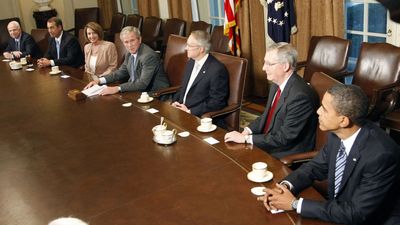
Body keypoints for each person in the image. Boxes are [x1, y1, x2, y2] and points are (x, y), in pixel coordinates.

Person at [258, 85, 400, 225]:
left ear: (343, 121)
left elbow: (356, 213)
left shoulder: (381, 156)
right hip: (338, 210)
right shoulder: (337, 135)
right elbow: (314, 167)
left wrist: (295, 204)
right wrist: (285, 187)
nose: (318, 111)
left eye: (324, 109)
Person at [224, 42, 319, 159]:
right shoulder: (276, 83)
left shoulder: (300, 97)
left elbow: (284, 138)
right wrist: (247, 131)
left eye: (269, 64)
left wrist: (246, 139)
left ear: (285, 66)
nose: (263, 68)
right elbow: (267, 115)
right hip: (271, 139)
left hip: (286, 152)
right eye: (265, 62)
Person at [84, 26, 169, 95]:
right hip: (136, 91)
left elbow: (142, 84)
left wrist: (117, 88)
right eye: (126, 42)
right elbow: (120, 72)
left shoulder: (148, 56)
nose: (130, 45)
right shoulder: (129, 54)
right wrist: (99, 80)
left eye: (132, 40)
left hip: (154, 94)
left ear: (139, 39)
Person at [171, 30, 229, 117]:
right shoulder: (191, 62)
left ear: (201, 49)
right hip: (181, 110)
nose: (186, 48)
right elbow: (184, 88)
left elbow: (217, 102)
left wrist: (190, 111)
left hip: (199, 116)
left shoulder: (217, 70)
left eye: (190, 45)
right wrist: (175, 103)